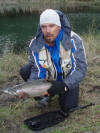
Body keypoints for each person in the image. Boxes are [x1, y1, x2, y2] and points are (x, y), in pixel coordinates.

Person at [20, 9, 87, 113]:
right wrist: (30, 88)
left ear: (59, 26)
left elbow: (80, 69)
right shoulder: (35, 45)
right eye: (44, 26)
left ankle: (61, 91)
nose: (48, 31)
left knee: (68, 108)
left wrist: (64, 85)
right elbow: (36, 70)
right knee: (25, 70)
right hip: (48, 79)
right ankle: (45, 95)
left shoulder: (72, 40)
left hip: (67, 79)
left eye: (52, 26)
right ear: (40, 28)